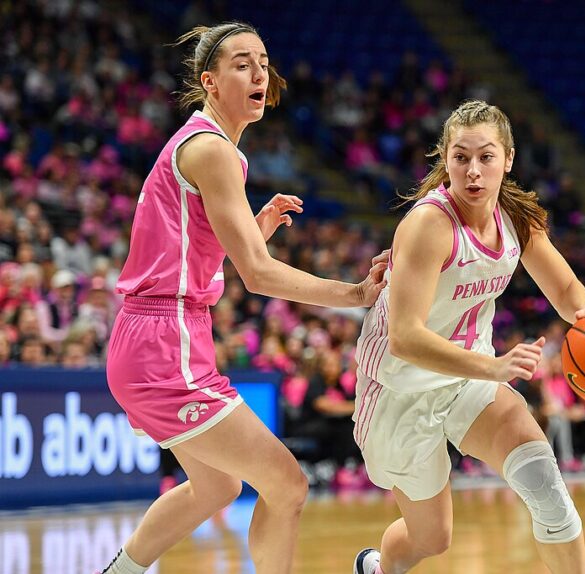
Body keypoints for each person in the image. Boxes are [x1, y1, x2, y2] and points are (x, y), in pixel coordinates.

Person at [99, 22, 388, 574]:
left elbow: (200, 255)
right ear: (209, 81)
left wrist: (257, 227)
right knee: (287, 484)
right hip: (165, 345)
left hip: (158, 335)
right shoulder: (211, 150)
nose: (258, 73)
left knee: (215, 486)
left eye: (262, 61)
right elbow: (256, 274)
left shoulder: (207, 145)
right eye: (241, 63)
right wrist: (355, 293)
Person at [351, 100, 585, 574]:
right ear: (445, 159)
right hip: (399, 391)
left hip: (468, 380)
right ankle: (378, 568)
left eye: (485, 157)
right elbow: (404, 337)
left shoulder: (516, 218)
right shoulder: (429, 225)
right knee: (431, 538)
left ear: (508, 158)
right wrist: (495, 367)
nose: (473, 170)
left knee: (546, 486)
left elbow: (565, 288)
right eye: (461, 157)